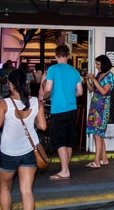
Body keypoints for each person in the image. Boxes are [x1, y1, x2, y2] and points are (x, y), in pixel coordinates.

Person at [0, 69, 47, 210]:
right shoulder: (36, 102)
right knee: (27, 191)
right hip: (29, 151)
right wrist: (32, 119)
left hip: (8, 153)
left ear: (11, 85)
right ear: (26, 82)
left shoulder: (5, 104)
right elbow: (42, 126)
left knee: (5, 189)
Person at [42, 44, 83, 180]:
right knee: (69, 141)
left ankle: (65, 171)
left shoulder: (52, 69)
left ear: (55, 56)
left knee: (59, 141)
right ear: (68, 56)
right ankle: (66, 168)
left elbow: (47, 89)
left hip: (58, 109)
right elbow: (80, 92)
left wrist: (44, 97)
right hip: (72, 109)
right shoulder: (74, 71)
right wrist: (69, 95)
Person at [85, 55, 114, 169]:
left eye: (98, 64)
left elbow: (103, 91)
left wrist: (93, 79)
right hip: (95, 107)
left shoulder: (110, 76)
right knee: (97, 134)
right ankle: (104, 159)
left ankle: (97, 161)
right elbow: (92, 90)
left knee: (98, 133)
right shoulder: (98, 75)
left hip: (102, 108)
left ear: (104, 64)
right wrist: (88, 80)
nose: (96, 67)